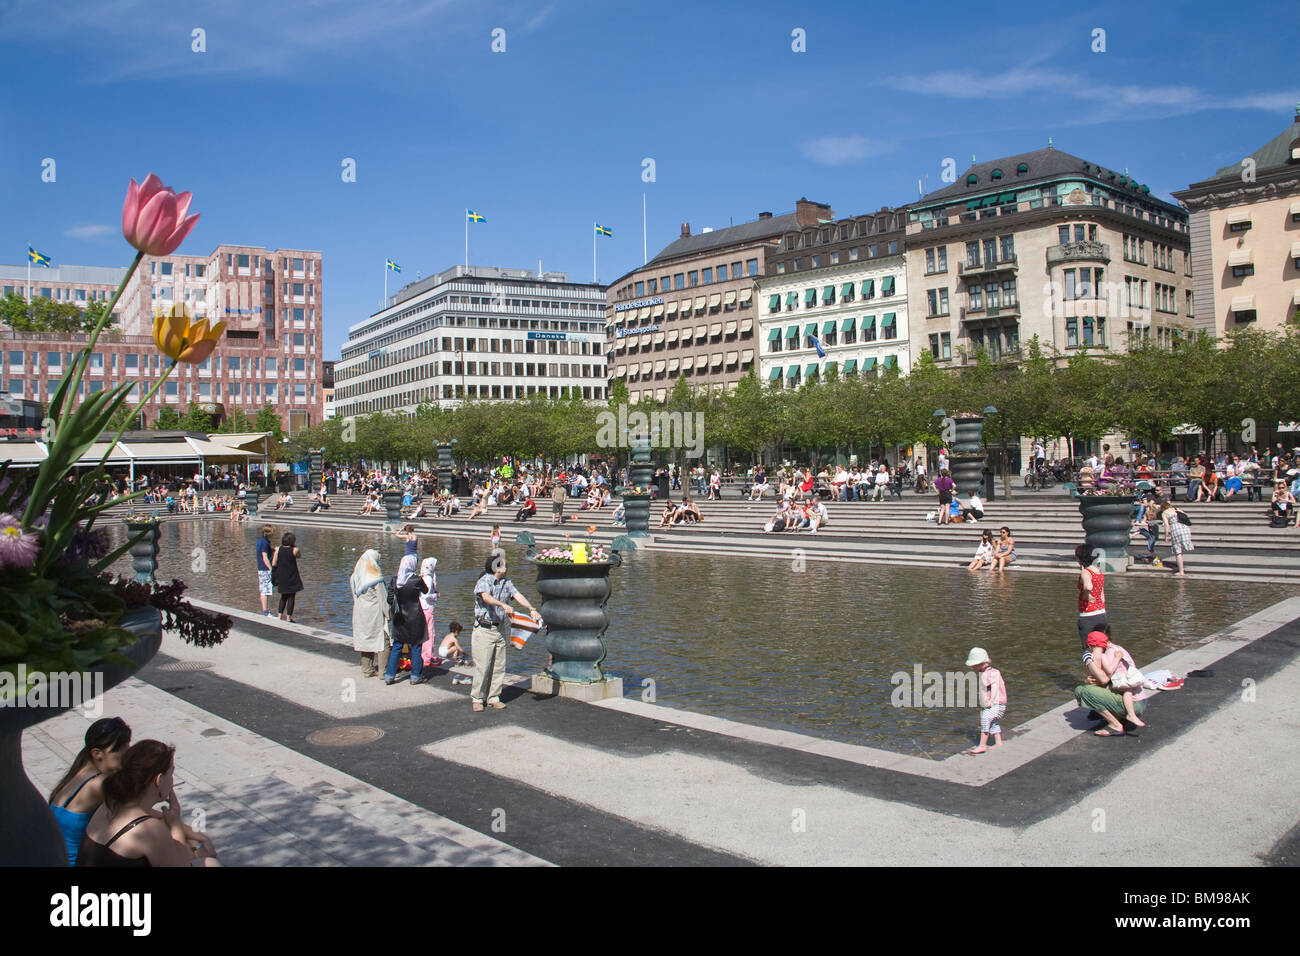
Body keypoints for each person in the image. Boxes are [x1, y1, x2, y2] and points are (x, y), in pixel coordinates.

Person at [77, 740, 220, 867]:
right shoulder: (148, 829)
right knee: (210, 864)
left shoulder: (109, 805)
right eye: (171, 774)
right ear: (159, 780)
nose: (172, 780)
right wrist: (175, 824)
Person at [49, 716, 133, 865]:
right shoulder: (98, 784)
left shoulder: (78, 773)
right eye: (120, 748)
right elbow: (140, 813)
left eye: (127, 745)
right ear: (97, 754)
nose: (127, 753)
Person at [470, 554, 541, 712]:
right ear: (496, 567)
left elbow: (518, 595)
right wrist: (503, 605)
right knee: (483, 666)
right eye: (504, 565)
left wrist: (531, 609)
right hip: (484, 628)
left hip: (499, 628)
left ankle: (493, 697)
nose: (507, 567)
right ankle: (477, 698)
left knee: (499, 665)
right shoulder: (485, 580)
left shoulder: (507, 582)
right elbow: (486, 597)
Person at [1074, 631, 1148, 736]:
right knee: (1084, 690)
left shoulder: (1107, 654)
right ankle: (1120, 717)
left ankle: (1116, 724)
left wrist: (1087, 660)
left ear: (1090, 646)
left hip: (1135, 703)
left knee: (1084, 691)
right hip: (1138, 699)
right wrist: (1088, 680)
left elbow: (1103, 680)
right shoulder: (1117, 649)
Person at [384, 554, 429, 685]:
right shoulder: (415, 580)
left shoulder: (395, 580)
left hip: (400, 617)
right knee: (416, 646)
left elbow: (390, 599)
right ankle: (415, 676)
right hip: (415, 616)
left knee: (397, 646)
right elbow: (425, 591)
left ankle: (389, 675)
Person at [351, 549, 390, 677]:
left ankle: (367, 668)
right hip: (374, 612)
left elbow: (354, 594)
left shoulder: (355, 576)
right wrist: (389, 615)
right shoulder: (374, 577)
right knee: (383, 640)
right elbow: (383, 598)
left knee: (365, 638)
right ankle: (383, 671)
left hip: (360, 611)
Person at [964, 648, 1006, 755]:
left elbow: (995, 686)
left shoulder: (991, 673)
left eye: (974, 665)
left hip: (996, 704)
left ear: (981, 663)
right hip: (995, 704)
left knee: (985, 719)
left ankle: (982, 745)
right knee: (993, 722)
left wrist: (991, 700)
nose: (972, 667)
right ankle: (998, 742)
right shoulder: (985, 673)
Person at [1075, 544, 1107, 647]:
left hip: (1088, 615)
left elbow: (1088, 586)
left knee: (1088, 648)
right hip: (1101, 613)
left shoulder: (1086, 572)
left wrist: (1086, 595)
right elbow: (1102, 597)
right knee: (1101, 646)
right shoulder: (1098, 572)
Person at [270, 532, 303, 623]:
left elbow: (274, 563)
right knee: (291, 597)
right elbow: (299, 556)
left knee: (283, 596)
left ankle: (279, 615)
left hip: (282, 575)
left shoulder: (278, 549)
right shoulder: (294, 550)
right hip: (292, 575)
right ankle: (289, 617)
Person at [1160, 500, 1192, 576]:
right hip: (1185, 528)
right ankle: (1181, 567)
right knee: (1181, 549)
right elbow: (1185, 516)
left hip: (1175, 529)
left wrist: (1167, 536)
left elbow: (1167, 526)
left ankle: (1181, 571)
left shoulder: (1164, 513)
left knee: (1178, 551)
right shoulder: (1177, 509)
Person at [418, 556, 439, 667]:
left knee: (424, 632)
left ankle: (425, 655)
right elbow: (427, 595)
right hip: (427, 609)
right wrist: (436, 595)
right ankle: (427, 656)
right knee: (430, 633)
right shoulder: (429, 579)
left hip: (421, 608)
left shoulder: (422, 577)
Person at [255, 524, 274, 617]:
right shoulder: (265, 543)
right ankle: (265, 612)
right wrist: (271, 569)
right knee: (265, 591)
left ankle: (266, 611)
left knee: (265, 590)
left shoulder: (262, 541)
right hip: (265, 569)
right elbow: (264, 557)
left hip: (261, 568)